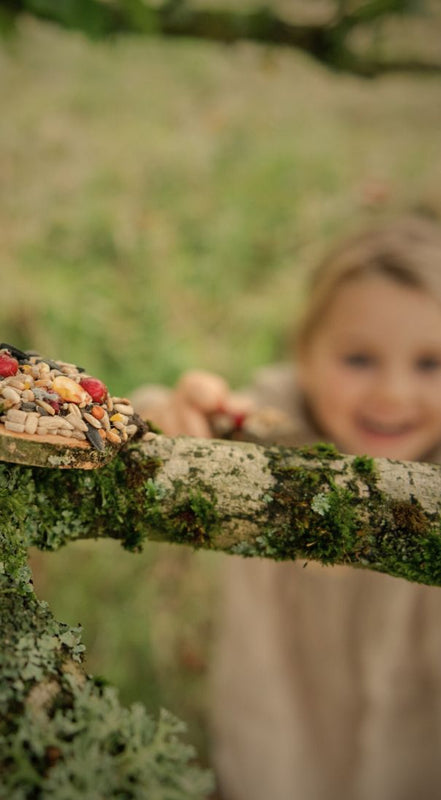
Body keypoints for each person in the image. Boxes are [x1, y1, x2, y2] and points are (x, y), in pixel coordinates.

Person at [132, 215, 441, 800]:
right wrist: (170, 416)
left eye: (431, 363)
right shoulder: (270, 433)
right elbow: (159, 428)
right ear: (305, 352)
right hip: (275, 756)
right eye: (359, 360)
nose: (394, 393)